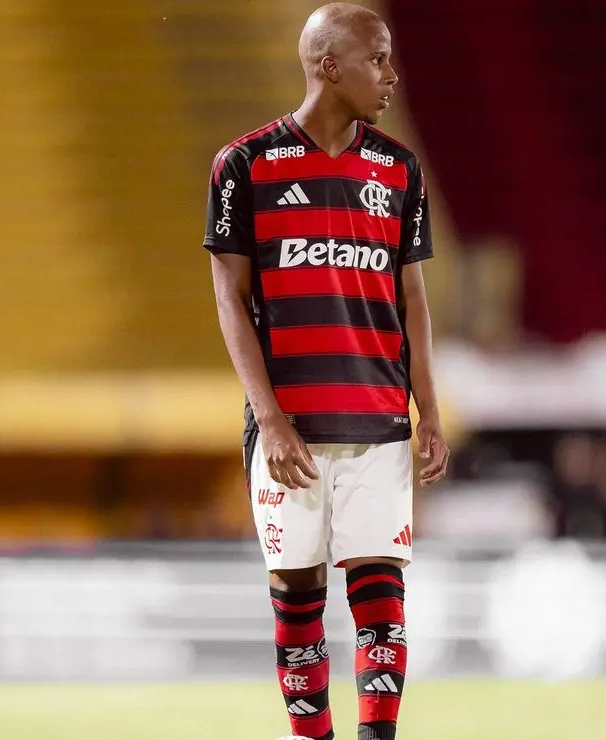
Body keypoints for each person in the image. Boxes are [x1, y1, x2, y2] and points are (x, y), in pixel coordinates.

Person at [203, 4, 449, 739]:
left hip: (377, 421)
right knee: (298, 596)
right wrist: (271, 419)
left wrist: (428, 411)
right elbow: (230, 300)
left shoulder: (399, 170)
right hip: (293, 434)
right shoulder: (243, 166)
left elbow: (413, 301)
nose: (391, 74)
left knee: (382, 593)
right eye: (378, 58)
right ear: (328, 64)